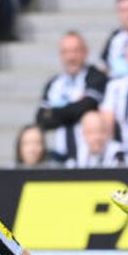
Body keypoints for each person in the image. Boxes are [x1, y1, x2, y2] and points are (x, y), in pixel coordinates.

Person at [36, 31, 108, 164]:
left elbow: (88, 105)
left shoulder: (96, 77)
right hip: (59, 157)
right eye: (66, 52)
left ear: (85, 52)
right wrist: (75, 107)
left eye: (75, 51)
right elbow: (41, 119)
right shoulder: (53, 83)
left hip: (91, 158)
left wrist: (55, 112)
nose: (71, 57)